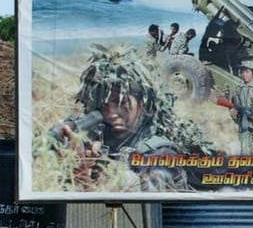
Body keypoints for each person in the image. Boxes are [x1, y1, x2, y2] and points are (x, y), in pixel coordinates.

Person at [53, 45, 214, 191]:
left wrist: (82, 175)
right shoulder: (99, 132)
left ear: (143, 104)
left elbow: (141, 205)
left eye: (122, 102)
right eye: (102, 105)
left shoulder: (161, 152)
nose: (110, 113)